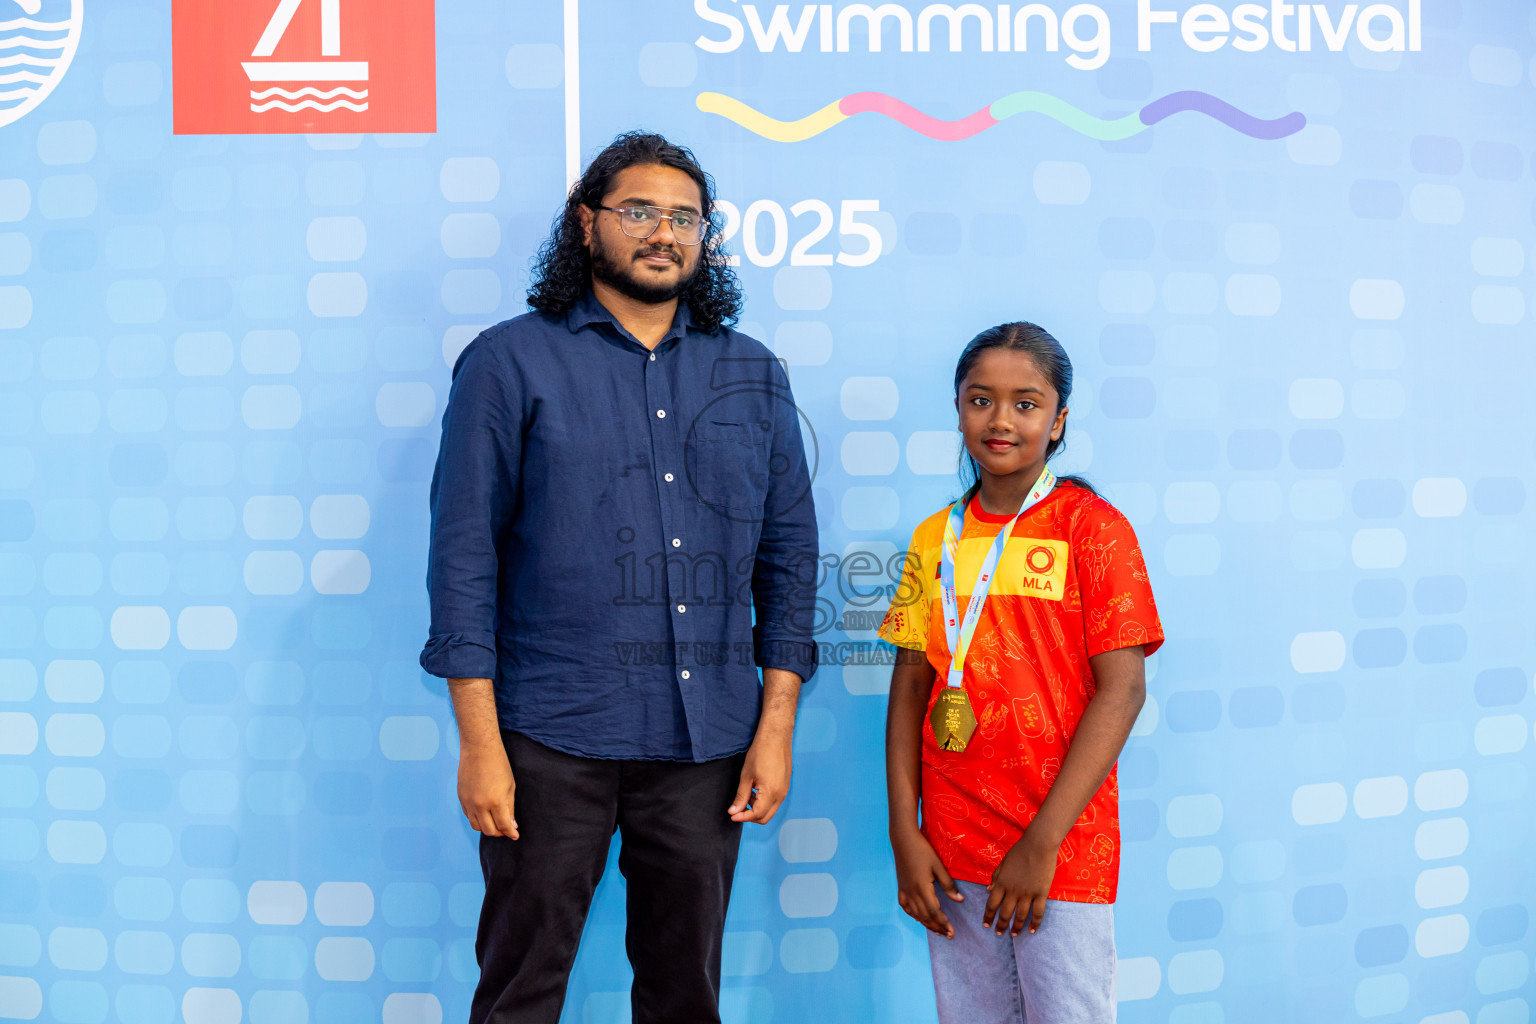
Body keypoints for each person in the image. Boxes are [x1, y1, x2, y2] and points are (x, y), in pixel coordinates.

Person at [420, 132, 819, 1024]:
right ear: (586, 224)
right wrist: (481, 744)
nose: (662, 233)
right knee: (520, 993)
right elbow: (463, 561)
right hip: (548, 739)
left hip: (705, 743)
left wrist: (775, 726)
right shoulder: (508, 362)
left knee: (685, 999)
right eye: (638, 211)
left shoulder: (751, 372)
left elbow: (790, 557)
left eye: (684, 217)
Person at [879, 322, 1163, 1023]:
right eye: (981, 400)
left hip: (1058, 847)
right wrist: (903, 833)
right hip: (950, 850)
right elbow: (910, 691)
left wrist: (1043, 842)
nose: (1001, 420)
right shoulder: (933, 538)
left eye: (1026, 403)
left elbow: (1122, 691)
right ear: (957, 408)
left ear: (1059, 419)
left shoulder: (1093, 530)